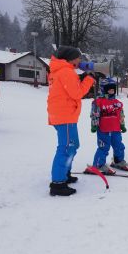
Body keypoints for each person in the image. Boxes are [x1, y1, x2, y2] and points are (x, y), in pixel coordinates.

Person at [47, 46, 95, 197]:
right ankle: (58, 184)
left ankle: (64, 174)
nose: (79, 60)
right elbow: (77, 93)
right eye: (78, 57)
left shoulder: (60, 71)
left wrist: (82, 77)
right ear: (70, 59)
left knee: (72, 146)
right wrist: (89, 79)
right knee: (67, 147)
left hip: (63, 114)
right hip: (65, 115)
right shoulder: (66, 72)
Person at [85, 78, 128, 175]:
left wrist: (122, 125)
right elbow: (95, 114)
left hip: (116, 129)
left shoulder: (117, 103)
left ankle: (118, 161)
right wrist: (94, 125)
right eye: (109, 89)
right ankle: (98, 165)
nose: (112, 91)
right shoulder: (98, 102)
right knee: (104, 147)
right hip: (104, 130)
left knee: (119, 146)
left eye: (113, 89)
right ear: (104, 90)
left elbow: (121, 115)